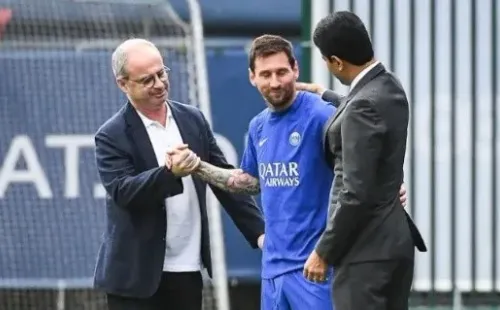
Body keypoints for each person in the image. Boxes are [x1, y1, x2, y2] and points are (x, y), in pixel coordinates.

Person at [167, 34, 408, 310]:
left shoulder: (322, 115)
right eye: (265, 74)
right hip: (272, 271)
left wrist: (386, 189)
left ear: (295, 69)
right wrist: (198, 167)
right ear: (252, 77)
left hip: (316, 269)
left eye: (282, 72)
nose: (274, 82)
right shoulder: (258, 126)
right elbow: (249, 181)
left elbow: (364, 157)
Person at [93, 38, 265, 310]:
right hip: (135, 279)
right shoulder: (111, 135)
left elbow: (223, 179)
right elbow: (124, 192)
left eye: (162, 73)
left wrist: (260, 233)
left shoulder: (192, 119)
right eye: (147, 80)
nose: (159, 84)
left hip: (187, 270)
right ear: (122, 84)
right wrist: (169, 173)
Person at [302, 11, 427, 310]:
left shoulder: (361, 107)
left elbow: (356, 193)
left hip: (365, 253)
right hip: (395, 244)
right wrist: (327, 95)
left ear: (336, 62)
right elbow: (362, 106)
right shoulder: (390, 86)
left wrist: (324, 251)